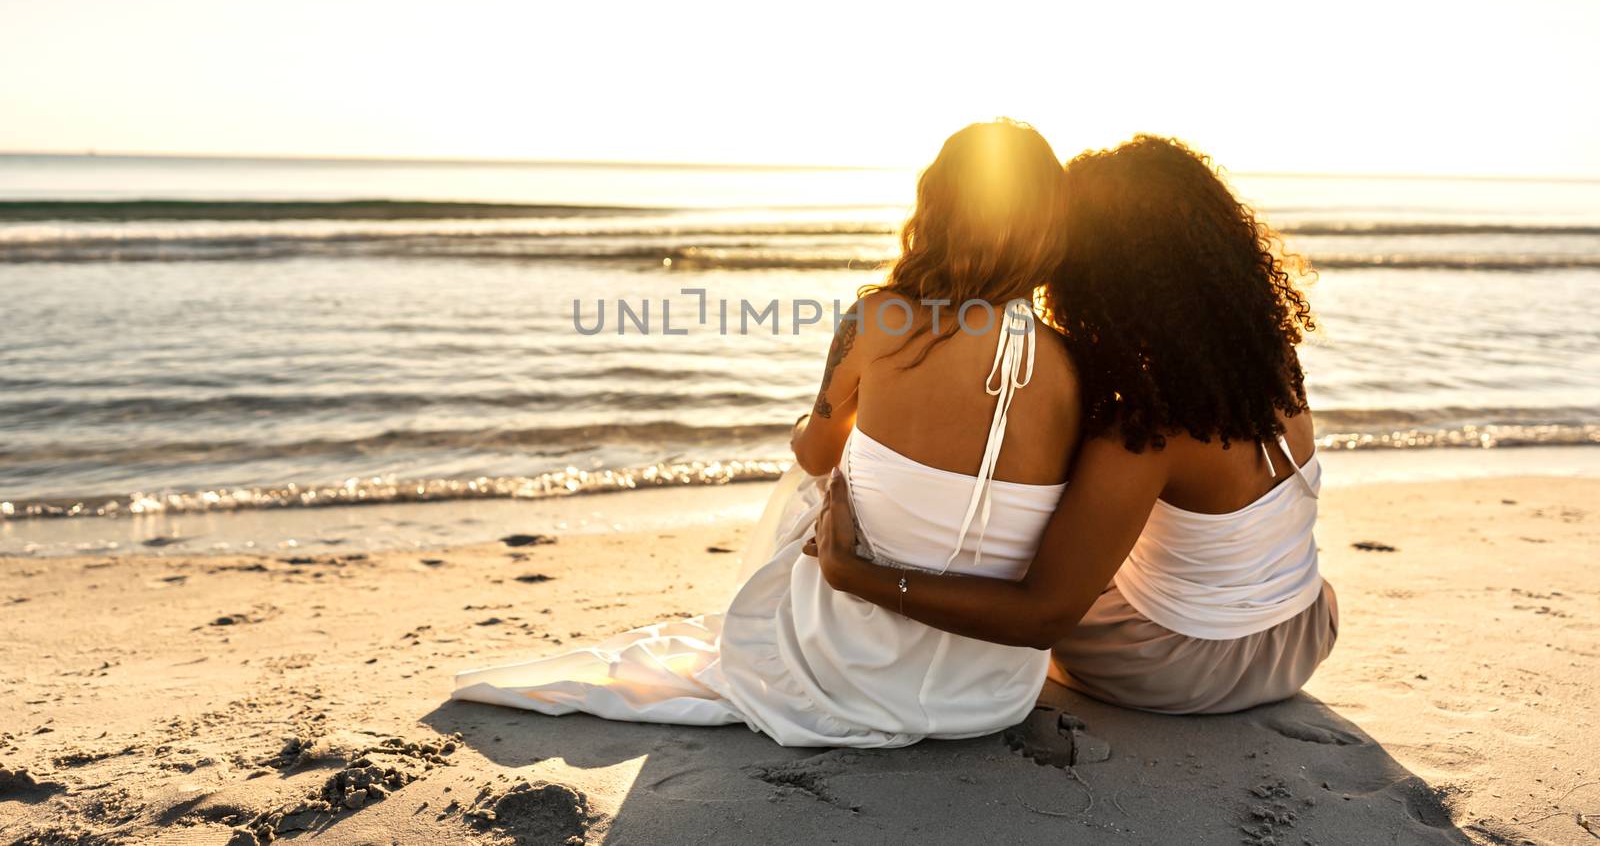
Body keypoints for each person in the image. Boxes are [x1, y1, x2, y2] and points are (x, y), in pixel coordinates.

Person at [454, 119, 1082, 745]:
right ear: (1050, 228)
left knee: (817, 474)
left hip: (846, 672)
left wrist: (804, 428)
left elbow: (815, 456)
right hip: (990, 690)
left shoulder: (880, 318)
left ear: (937, 207)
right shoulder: (1073, 364)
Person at [808, 135, 1336, 715]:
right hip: (1303, 631)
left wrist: (851, 572)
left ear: (1092, 269)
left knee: (1025, 581)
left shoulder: (1145, 428)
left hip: (1181, 669)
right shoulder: (1271, 363)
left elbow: (1042, 618)